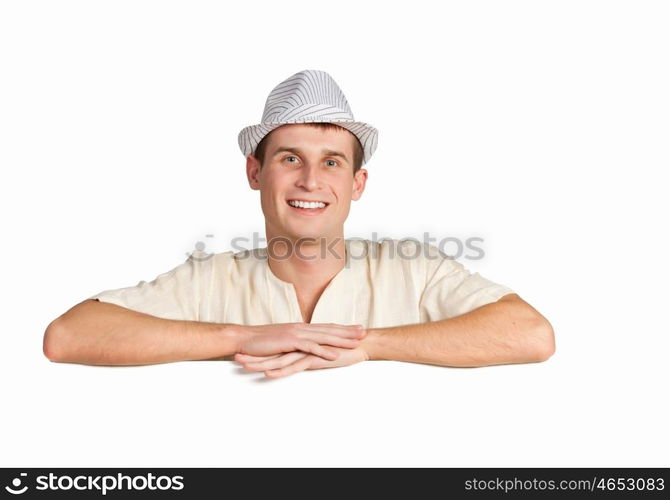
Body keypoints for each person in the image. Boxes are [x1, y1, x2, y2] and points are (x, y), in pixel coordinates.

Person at [43, 69, 555, 378]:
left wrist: (364, 346)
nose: (311, 180)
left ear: (357, 183)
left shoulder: (416, 269)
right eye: (290, 158)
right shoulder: (209, 277)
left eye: (332, 162)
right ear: (254, 172)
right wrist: (243, 336)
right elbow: (68, 337)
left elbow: (531, 335)